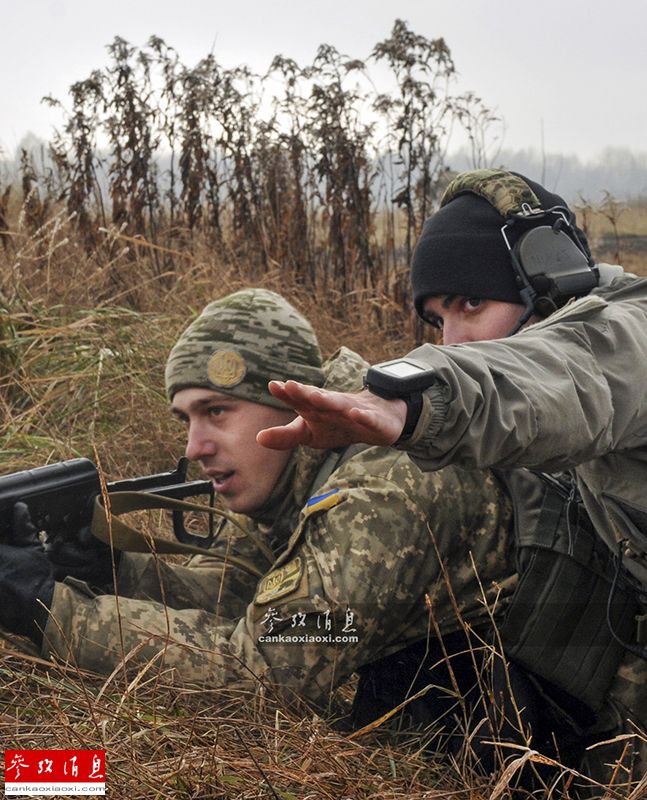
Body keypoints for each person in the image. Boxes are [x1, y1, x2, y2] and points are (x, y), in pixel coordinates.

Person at [0, 288, 525, 773]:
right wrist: (113, 570)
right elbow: (246, 591)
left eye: (217, 411)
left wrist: (48, 608)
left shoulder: (384, 486)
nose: (194, 447)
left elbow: (269, 672)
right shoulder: (294, 472)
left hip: (519, 764)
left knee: (75, 776)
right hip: (434, 738)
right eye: (187, 419)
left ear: (293, 403)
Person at [257, 170, 647, 787]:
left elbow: (557, 375)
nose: (456, 339)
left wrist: (416, 402)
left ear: (551, 285)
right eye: (437, 320)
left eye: (471, 303)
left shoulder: (629, 338)